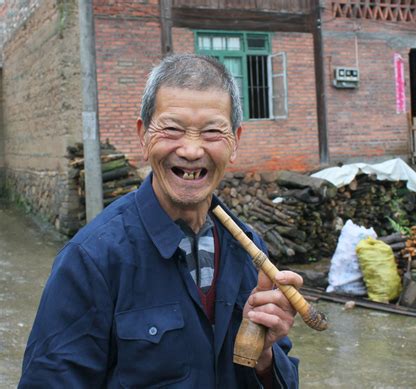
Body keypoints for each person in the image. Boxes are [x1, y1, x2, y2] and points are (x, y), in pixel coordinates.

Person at [19, 54, 301, 388]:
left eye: (212, 131)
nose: (192, 150)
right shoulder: (92, 259)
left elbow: (278, 375)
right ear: (143, 135)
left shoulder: (249, 250)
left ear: (235, 141)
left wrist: (266, 360)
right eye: (172, 129)